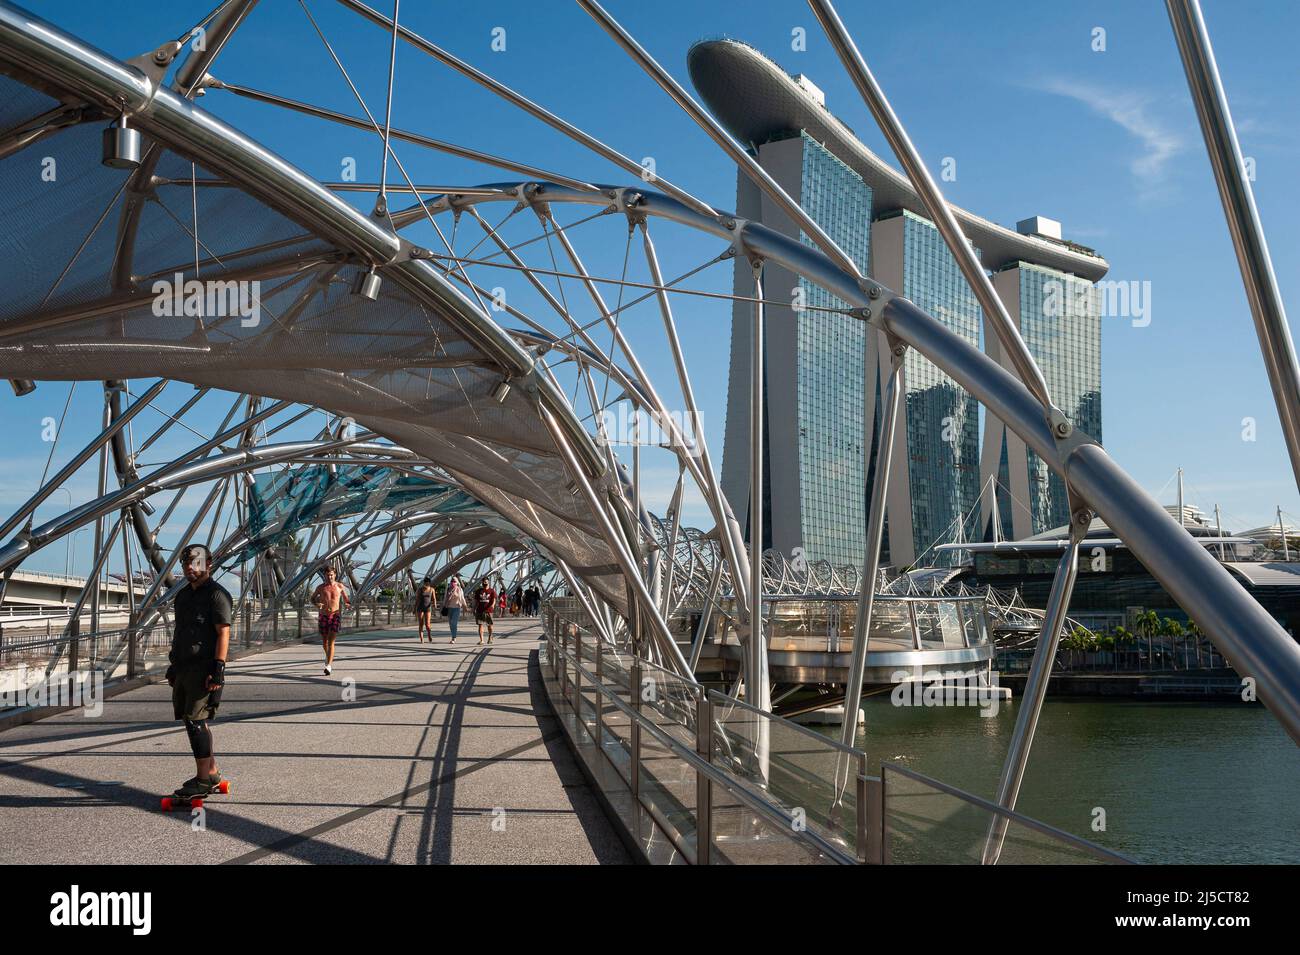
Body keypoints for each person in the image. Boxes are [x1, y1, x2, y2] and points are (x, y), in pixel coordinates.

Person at [165, 544, 232, 801]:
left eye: (195, 563)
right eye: (186, 564)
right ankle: (212, 772)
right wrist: (173, 664)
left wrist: (218, 669)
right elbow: (180, 633)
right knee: (193, 720)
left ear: (208, 564)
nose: (190, 569)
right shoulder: (183, 596)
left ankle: (203, 780)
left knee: (195, 722)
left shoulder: (217, 595)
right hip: (183, 667)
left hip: (204, 669)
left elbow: (222, 633)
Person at [311, 565, 350, 675]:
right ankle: (328, 657)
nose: (330, 577)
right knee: (324, 642)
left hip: (335, 615)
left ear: (335, 575)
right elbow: (312, 598)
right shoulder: (320, 587)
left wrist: (347, 604)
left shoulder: (340, 586)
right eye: (327, 575)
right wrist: (316, 603)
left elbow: (347, 600)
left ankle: (329, 665)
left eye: (331, 575)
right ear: (324, 576)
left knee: (331, 641)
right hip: (323, 615)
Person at [443, 576, 468, 643]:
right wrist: (444, 605)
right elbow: (445, 598)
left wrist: (465, 606)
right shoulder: (448, 589)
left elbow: (462, 598)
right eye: (452, 581)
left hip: (457, 608)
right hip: (449, 608)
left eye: (454, 581)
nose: (452, 582)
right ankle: (453, 636)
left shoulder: (459, 590)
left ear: (457, 582)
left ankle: (454, 638)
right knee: (451, 624)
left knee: (454, 623)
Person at [473, 577, 497, 645]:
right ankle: (482, 640)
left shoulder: (492, 591)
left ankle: (490, 637)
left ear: (488, 582)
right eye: (483, 582)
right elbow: (476, 601)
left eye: (486, 582)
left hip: (488, 610)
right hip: (480, 610)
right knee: (480, 625)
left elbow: (494, 600)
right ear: (482, 583)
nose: (485, 583)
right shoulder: (478, 591)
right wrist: (474, 608)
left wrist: (492, 605)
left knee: (489, 625)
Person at [414, 577, 436, 643]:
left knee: (427, 625)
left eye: (428, 583)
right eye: (425, 583)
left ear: (429, 583)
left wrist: (434, 604)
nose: (426, 584)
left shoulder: (432, 589)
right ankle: (422, 639)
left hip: (428, 608)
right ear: (424, 583)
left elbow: (434, 598)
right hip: (420, 608)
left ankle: (429, 635)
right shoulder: (420, 590)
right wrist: (414, 608)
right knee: (421, 624)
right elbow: (417, 600)